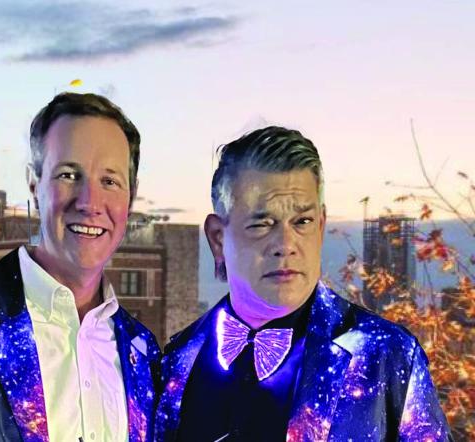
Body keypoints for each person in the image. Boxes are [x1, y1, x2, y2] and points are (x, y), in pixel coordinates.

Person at [156, 126, 449, 440]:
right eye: (262, 223)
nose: (285, 243)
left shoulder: (387, 352)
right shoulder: (176, 357)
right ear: (217, 238)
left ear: (321, 227)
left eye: (302, 222)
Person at [0, 93, 160, 441]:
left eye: (110, 181)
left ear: (131, 196)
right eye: (69, 174)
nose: (89, 202)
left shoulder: (143, 351)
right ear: (33, 183)